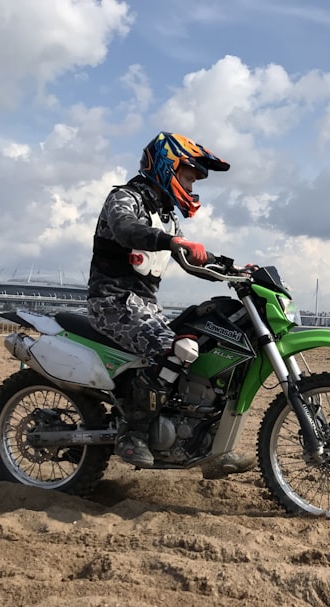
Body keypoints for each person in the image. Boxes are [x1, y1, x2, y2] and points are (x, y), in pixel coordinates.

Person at [87, 131, 256, 478]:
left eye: (195, 180)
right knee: (172, 351)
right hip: (114, 304)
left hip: (146, 308)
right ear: (167, 166)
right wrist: (170, 240)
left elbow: (194, 263)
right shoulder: (125, 198)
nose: (192, 187)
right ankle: (133, 433)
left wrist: (235, 271)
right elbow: (124, 229)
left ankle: (206, 449)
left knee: (202, 358)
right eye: (189, 176)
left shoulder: (166, 217)